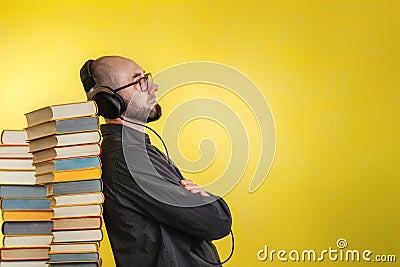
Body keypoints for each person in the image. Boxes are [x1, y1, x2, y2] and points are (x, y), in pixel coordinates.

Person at [79, 56, 232, 267]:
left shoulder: (136, 152)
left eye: (147, 78)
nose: (153, 87)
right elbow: (216, 222)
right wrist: (212, 203)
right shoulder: (127, 159)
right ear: (109, 102)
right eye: (138, 81)